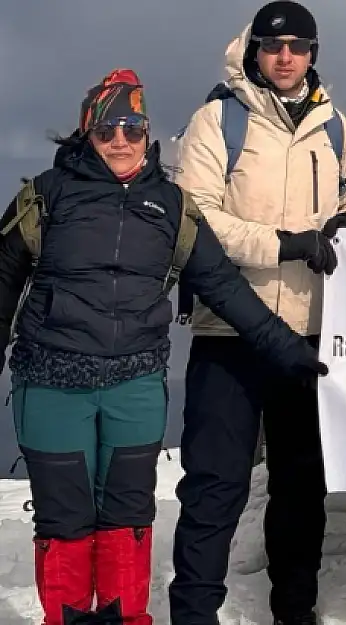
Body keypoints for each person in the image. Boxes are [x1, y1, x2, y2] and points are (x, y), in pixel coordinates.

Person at [0, 68, 327, 625]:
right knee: (64, 519)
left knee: (129, 515)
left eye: (132, 127)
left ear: (147, 132)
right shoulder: (44, 198)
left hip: (135, 387)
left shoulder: (173, 207)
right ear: (87, 133)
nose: (120, 141)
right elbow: (3, 281)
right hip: (52, 384)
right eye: (107, 131)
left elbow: (223, 285)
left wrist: (286, 348)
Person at [167, 2, 346, 624]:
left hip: (309, 334)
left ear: (313, 54)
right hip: (230, 332)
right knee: (214, 486)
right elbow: (195, 215)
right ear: (254, 49)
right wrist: (285, 242)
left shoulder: (334, 125)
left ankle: (295, 611)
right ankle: (195, 613)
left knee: (300, 488)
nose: (286, 57)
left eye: (299, 46)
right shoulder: (217, 121)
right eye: (274, 45)